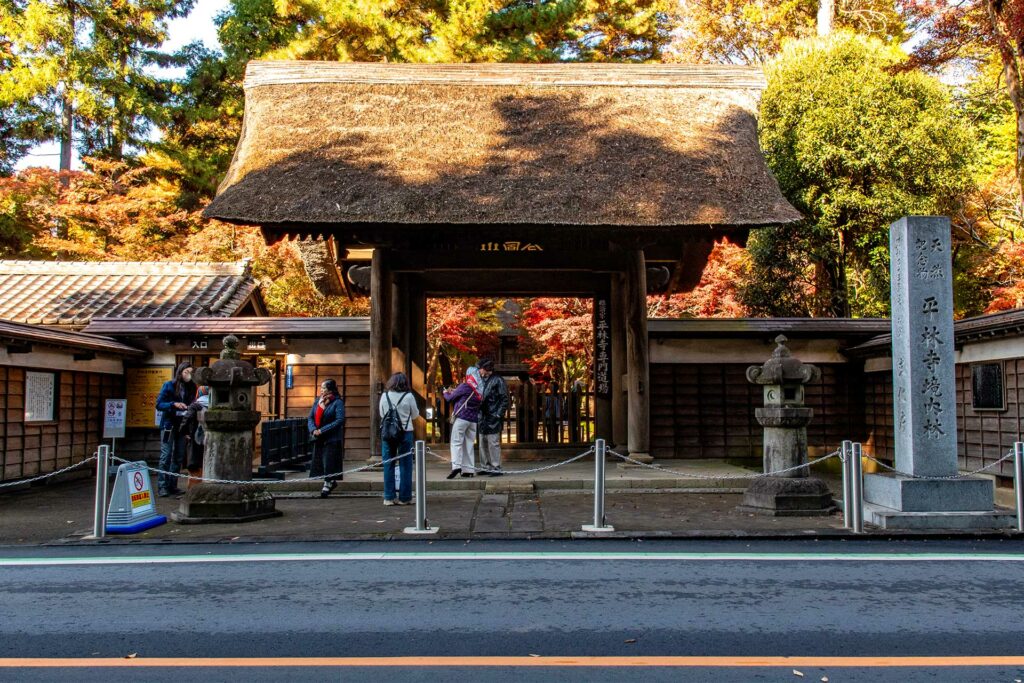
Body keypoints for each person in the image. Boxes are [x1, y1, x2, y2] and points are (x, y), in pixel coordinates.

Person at [155, 361, 198, 497]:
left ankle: (172, 485)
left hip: (182, 425)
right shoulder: (169, 385)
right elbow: (159, 404)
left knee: (178, 456)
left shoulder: (192, 387)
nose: (188, 375)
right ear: (180, 372)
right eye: (186, 372)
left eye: (191, 373)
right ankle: (162, 486)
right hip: (169, 424)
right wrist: (174, 404)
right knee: (166, 455)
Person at [378, 372, 419, 506]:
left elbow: (381, 413)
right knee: (405, 465)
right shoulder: (408, 396)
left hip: (388, 433)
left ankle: (389, 497)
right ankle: (404, 497)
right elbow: (415, 415)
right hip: (405, 432)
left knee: (388, 464)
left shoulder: (385, 396)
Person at [308, 379, 346, 498]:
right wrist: (313, 429)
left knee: (329, 461)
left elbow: (339, 420)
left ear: (330, 389)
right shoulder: (317, 401)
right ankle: (330, 481)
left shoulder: (337, 402)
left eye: (324, 388)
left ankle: (327, 483)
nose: (321, 390)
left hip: (331, 437)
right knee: (320, 461)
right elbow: (310, 417)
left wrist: (322, 430)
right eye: (321, 387)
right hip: (318, 437)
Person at [443, 368, 482, 479]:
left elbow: (450, 398)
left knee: (456, 442)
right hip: (473, 420)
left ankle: (456, 466)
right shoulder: (479, 388)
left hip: (462, 418)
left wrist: (445, 392)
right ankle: (468, 470)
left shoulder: (465, 386)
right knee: (468, 444)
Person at [477, 359, 510, 476]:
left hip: (493, 415)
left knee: (493, 443)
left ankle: (496, 467)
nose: (479, 370)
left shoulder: (498, 380)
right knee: (482, 443)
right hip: (482, 415)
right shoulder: (480, 379)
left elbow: (504, 399)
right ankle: (485, 466)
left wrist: (498, 414)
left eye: (480, 368)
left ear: (486, 368)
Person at [180, 385, 210, 490]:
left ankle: (194, 491)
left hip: (196, 440)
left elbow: (186, 418)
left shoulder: (195, 405)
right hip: (210, 440)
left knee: (194, 466)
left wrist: (184, 432)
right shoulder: (212, 405)